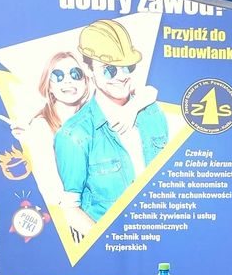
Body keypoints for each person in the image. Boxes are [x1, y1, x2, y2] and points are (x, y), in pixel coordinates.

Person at [54, 19, 169, 238]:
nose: (122, 75)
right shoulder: (74, 135)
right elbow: (69, 208)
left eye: (128, 67)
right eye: (110, 70)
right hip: (110, 253)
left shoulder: (153, 114)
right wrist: (109, 247)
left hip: (158, 242)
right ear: (88, 69)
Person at [3, 51, 156, 208]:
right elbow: (53, 195)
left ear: (86, 79)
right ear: (49, 85)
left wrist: (131, 109)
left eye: (75, 74)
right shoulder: (41, 128)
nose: (68, 81)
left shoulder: (94, 115)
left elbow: (150, 92)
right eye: (58, 76)